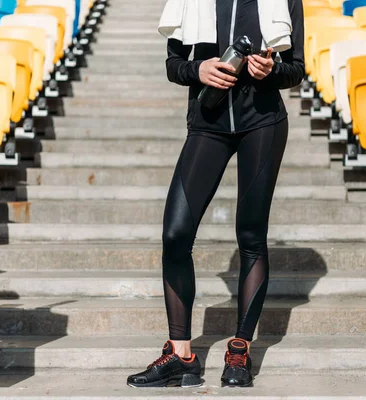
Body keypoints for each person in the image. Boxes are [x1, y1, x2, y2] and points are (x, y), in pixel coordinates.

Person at [127, 0, 305, 388]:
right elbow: (173, 64)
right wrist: (199, 69)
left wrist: (272, 70)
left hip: (263, 122)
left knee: (251, 236)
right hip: (207, 123)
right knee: (175, 234)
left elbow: (297, 70)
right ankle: (181, 355)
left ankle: (239, 350)